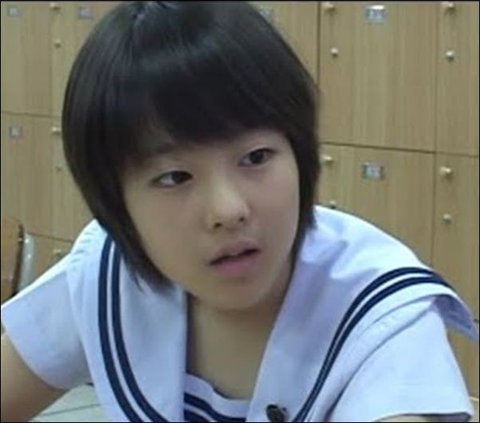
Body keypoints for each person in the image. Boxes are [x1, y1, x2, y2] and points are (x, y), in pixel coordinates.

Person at [1, 2, 478, 422]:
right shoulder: (111, 272)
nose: (228, 210)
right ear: (116, 205)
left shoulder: (378, 309)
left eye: (256, 157)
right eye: (174, 177)